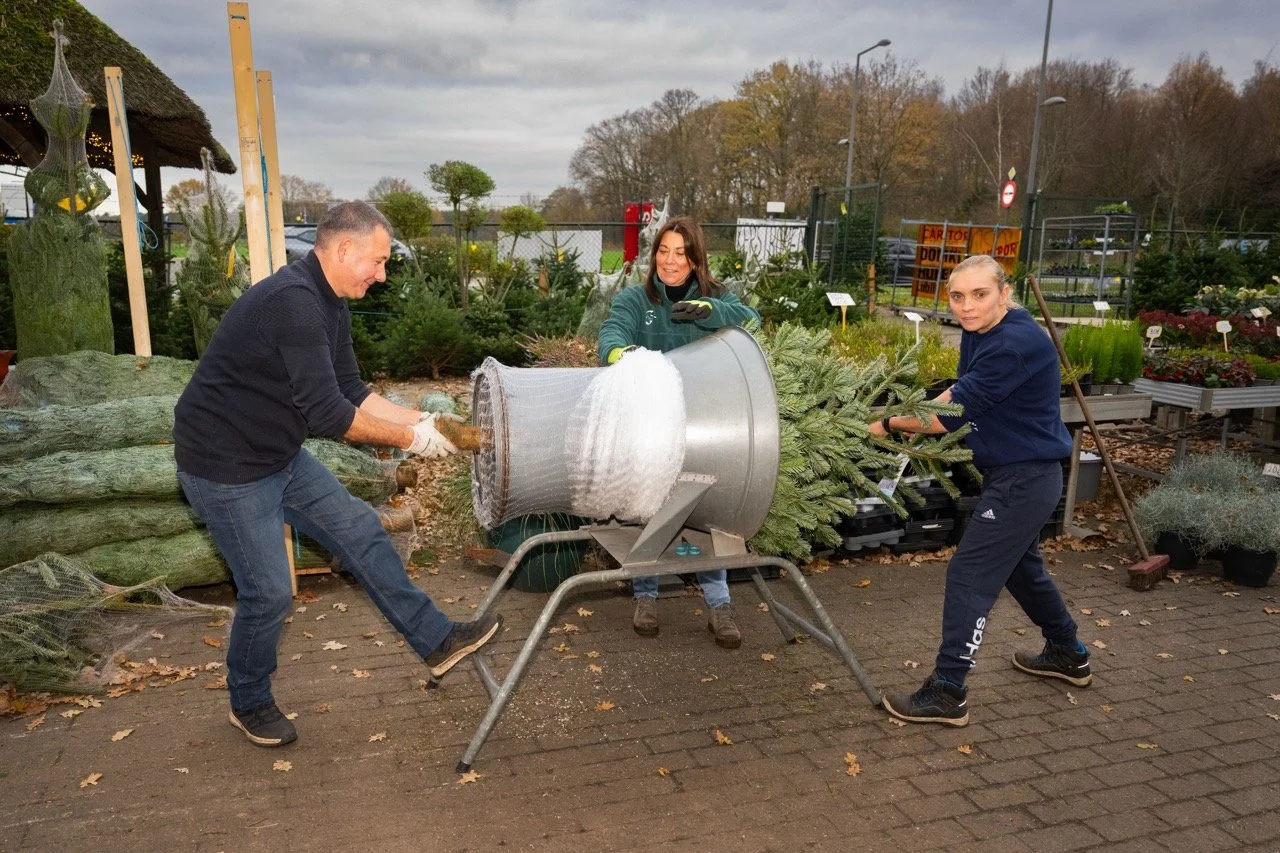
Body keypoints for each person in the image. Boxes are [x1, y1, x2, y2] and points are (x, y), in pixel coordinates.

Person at [174, 201, 502, 748]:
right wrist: (410, 441)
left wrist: (428, 421)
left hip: (275, 453)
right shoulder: (294, 305)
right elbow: (329, 415)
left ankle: (438, 640)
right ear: (344, 249)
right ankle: (249, 700)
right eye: (377, 260)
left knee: (361, 531)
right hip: (224, 466)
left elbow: (352, 391)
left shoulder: (330, 303)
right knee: (269, 593)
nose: (382, 273)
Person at [870, 254, 1089, 727]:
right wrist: (922, 405)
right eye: (957, 296)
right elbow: (957, 393)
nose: (966, 307)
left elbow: (944, 418)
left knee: (969, 575)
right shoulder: (985, 329)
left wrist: (888, 422)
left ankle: (948, 691)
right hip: (1016, 475)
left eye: (979, 294)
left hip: (1024, 479)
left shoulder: (1014, 344)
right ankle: (1069, 652)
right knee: (1021, 571)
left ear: (1004, 294)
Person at [596, 215, 762, 649]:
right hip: (650, 426)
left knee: (706, 513)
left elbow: (752, 323)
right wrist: (622, 354)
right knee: (651, 509)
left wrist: (713, 313)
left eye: (681, 254)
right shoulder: (636, 299)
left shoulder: (715, 299)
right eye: (663, 251)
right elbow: (611, 333)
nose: (670, 261)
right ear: (654, 256)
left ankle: (719, 604)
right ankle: (646, 594)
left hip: (706, 425)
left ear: (695, 259)